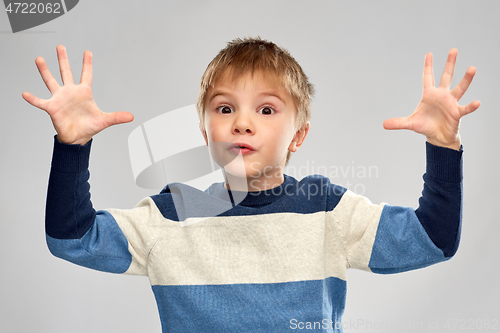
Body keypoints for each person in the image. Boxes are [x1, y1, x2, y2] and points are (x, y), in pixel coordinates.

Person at [23, 37, 480, 332]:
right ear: (205, 132)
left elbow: (432, 239)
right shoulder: (171, 216)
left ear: (298, 135)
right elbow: (72, 238)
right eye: (224, 109)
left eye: (266, 110)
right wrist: (73, 145)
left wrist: (442, 147)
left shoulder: (326, 211)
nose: (242, 123)